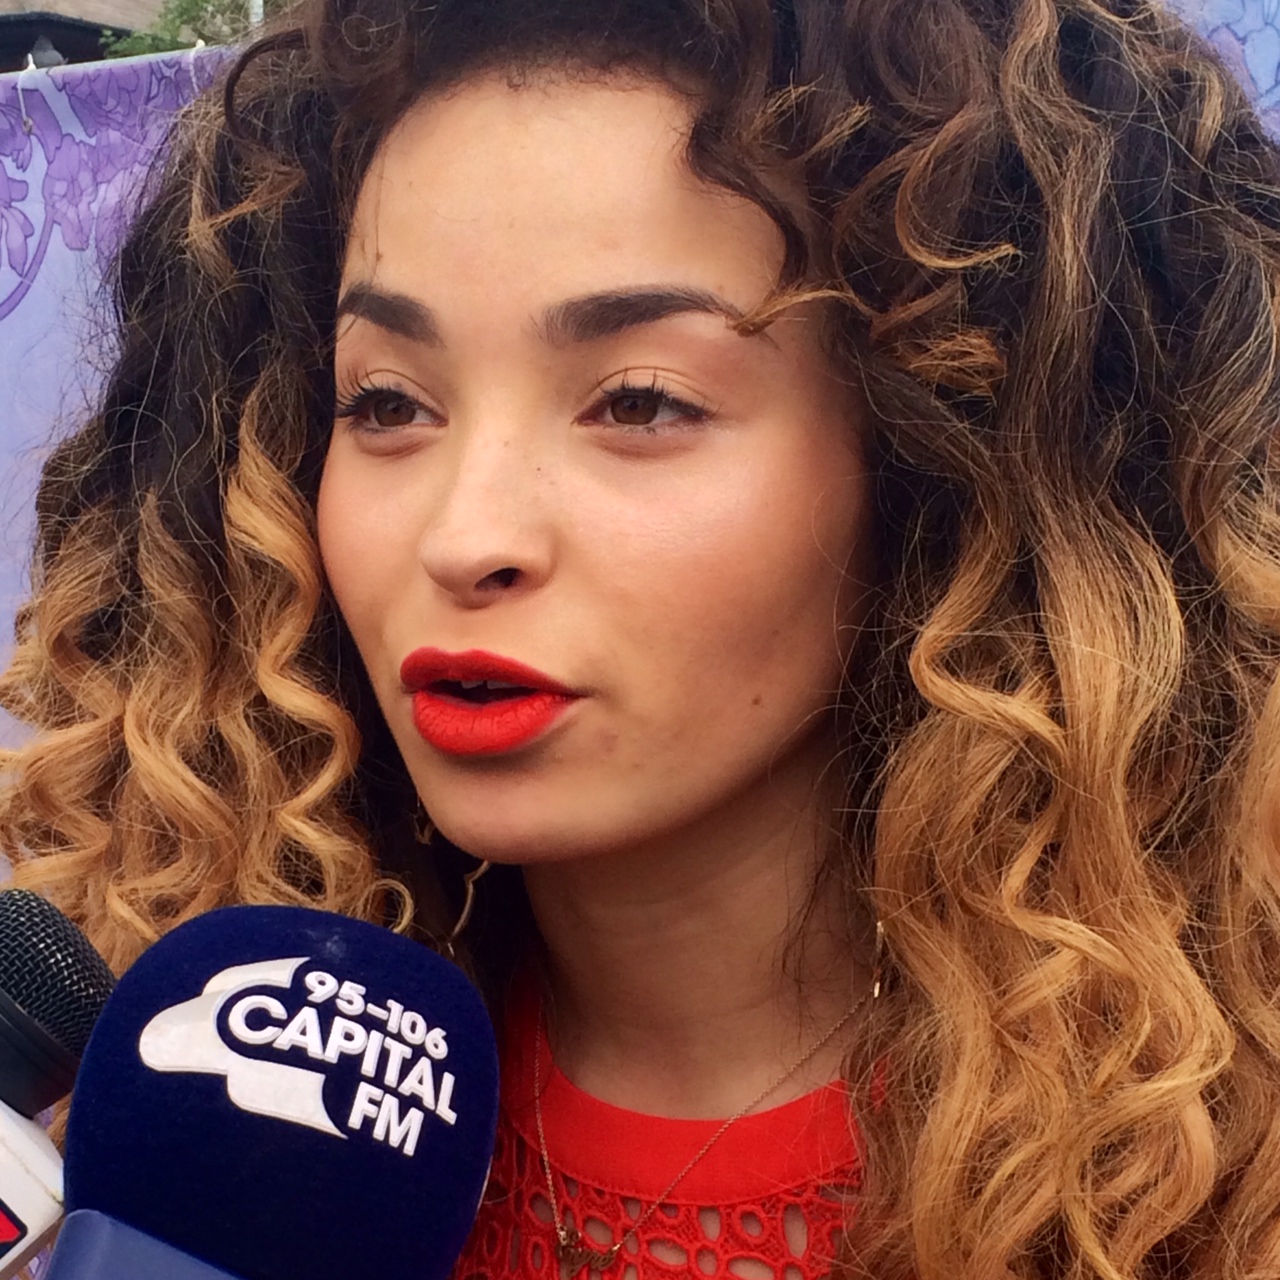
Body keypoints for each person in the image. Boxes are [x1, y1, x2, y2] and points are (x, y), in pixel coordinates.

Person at [4, 0, 1280, 1276]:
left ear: (942, 461)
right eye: (387, 400)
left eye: (640, 401)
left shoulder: (1214, 1170)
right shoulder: (147, 1113)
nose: (465, 534)